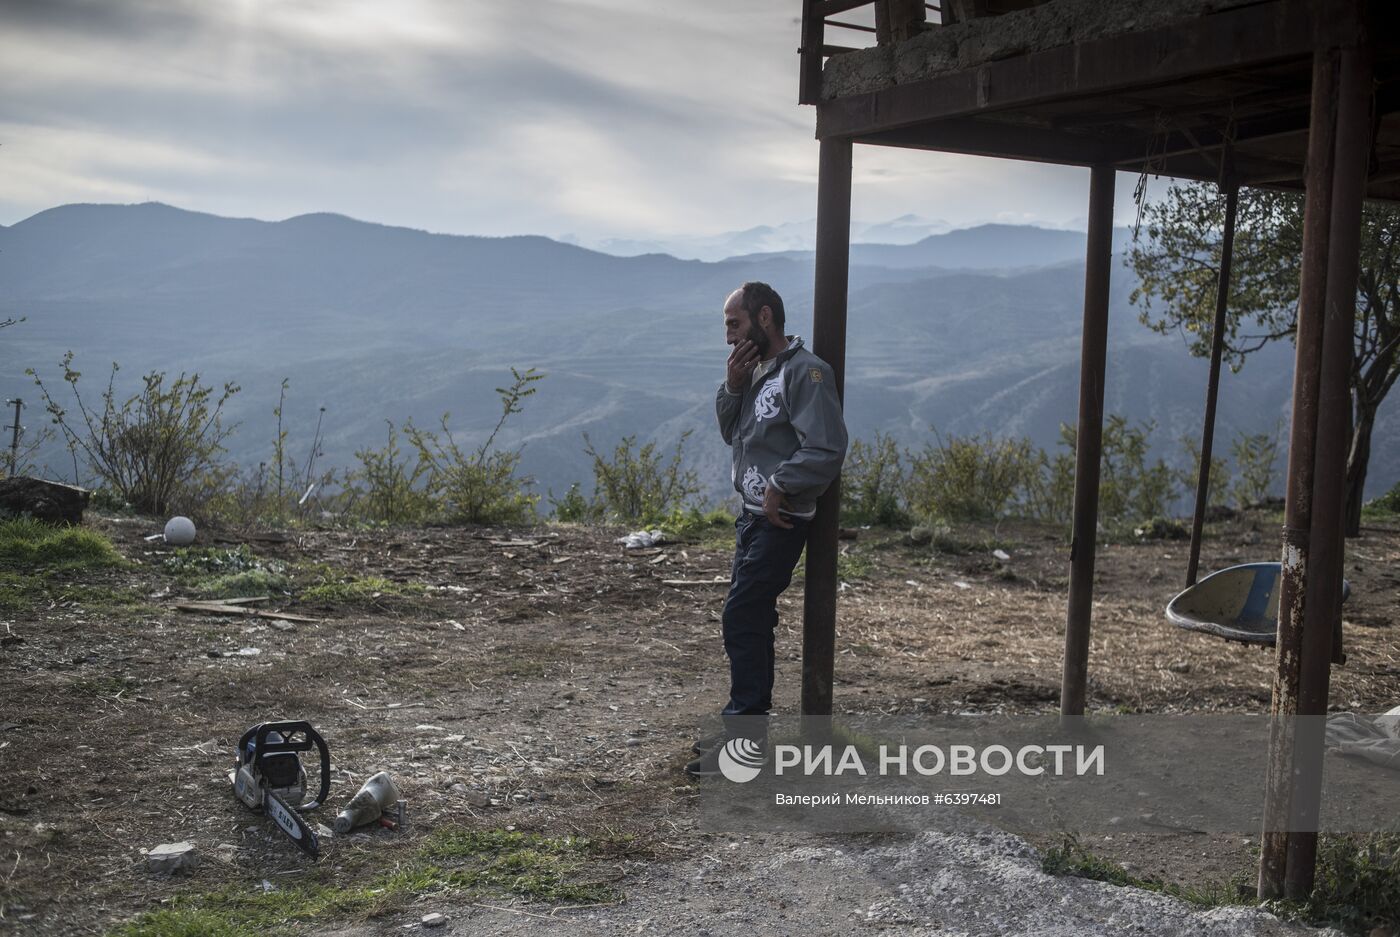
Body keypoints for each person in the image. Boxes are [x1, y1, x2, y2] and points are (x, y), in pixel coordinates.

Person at [686, 281, 848, 777]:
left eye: (734, 324)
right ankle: (745, 737)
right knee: (750, 620)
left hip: (781, 520)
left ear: (764, 317)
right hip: (751, 519)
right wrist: (733, 386)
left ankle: (744, 747)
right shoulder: (754, 371)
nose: (729, 337)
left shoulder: (807, 372)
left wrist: (780, 484)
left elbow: (826, 446)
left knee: (743, 615)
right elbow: (733, 433)